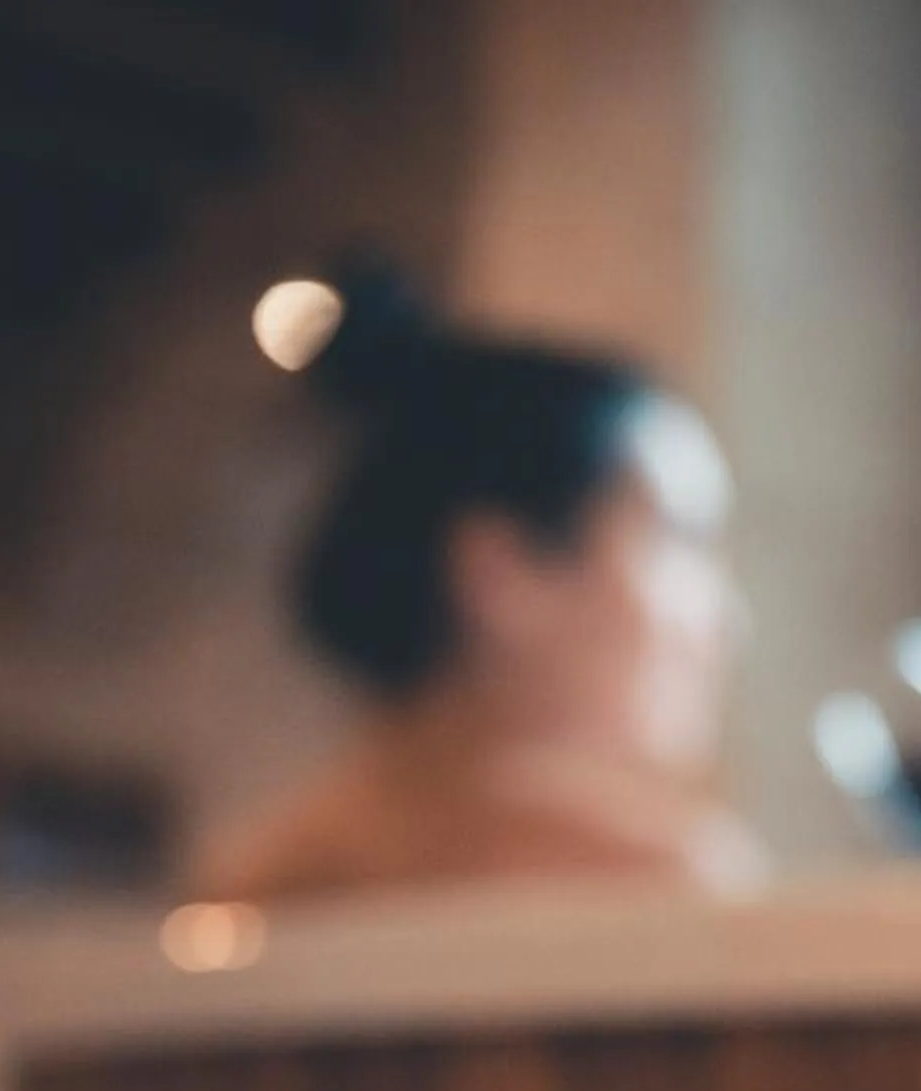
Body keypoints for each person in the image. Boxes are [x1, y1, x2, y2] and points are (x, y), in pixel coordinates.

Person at [202, 262, 761, 900]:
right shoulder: (654, 880)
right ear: (501, 570)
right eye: (678, 542)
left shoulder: (250, 883)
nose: (727, 617)